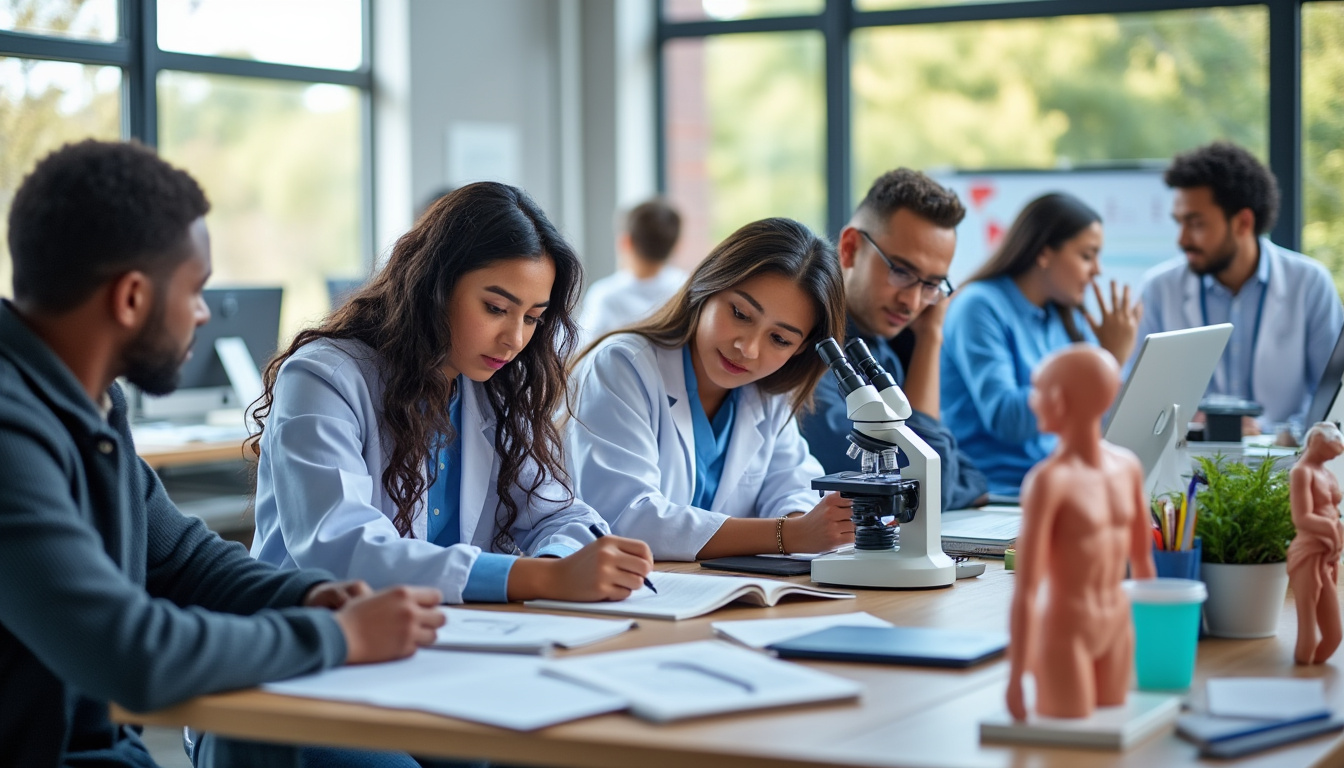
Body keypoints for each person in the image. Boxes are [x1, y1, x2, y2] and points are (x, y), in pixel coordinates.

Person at [0, 140, 445, 768]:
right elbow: (130, 653)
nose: (205, 315)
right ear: (131, 298)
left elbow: (182, 560)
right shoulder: (11, 428)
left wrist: (311, 597)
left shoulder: (89, 405)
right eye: (196, 290)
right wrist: (338, 636)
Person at [250, 181, 654, 608]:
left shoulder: (494, 387)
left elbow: (560, 515)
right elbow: (342, 548)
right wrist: (540, 578)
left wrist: (560, 565)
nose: (514, 339)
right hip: (317, 636)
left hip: (447, 633)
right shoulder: (324, 378)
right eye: (496, 309)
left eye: (533, 318)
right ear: (434, 285)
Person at [566, 217, 852, 561]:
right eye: (740, 313)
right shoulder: (623, 366)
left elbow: (793, 486)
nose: (748, 348)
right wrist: (788, 535)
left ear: (800, 349)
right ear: (708, 284)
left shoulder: (767, 393)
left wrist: (804, 524)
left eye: (779, 338)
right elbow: (628, 519)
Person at [798, 168, 988, 510]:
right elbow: (926, 490)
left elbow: (968, 474)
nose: (913, 303)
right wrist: (930, 340)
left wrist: (930, 336)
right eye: (901, 272)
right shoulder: (813, 349)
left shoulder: (881, 349)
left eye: (931, 285)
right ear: (851, 248)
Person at [1135, 141, 1344, 436]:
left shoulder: (1309, 284)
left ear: (1243, 222)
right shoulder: (1159, 289)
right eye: (1180, 222)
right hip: (1187, 468)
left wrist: (1283, 433)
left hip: (1285, 464)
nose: (1182, 239)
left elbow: (1332, 398)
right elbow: (1138, 402)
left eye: (1196, 223)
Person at [941, 192, 1142, 496]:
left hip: (1062, 481)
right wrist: (1106, 360)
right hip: (1000, 493)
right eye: (1087, 255)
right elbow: (1006, 419)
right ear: (1045, 253)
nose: (1097, 270)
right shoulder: (979, 306)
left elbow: (1097, 416)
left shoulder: (1063, 314)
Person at [1006, 345, 1156, 720]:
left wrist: (1152, 645)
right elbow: (1026, 588)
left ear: (1060, 399)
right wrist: (1016, 675)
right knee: (1069, 739)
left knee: (1112, 728)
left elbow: (1143, 562)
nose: (1033, 401)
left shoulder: (1127, 467)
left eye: (1039, 390)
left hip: (1117, 623)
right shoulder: (1048, 482)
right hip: (1066, 632)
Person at [578, 198, 687, 342]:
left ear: (625, 242)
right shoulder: (685, 289)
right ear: (676, 245)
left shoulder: (605, 297)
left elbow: (581, 353)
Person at [1288, 421, 1344, 665]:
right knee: (1308, 630)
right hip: (1308, 552)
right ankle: (1301, 678)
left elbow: (1334, 511)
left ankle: (1313, 675)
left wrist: (1337, 537)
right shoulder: (1301, 472)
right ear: (1314, 441)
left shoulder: (1327, 473)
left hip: (1329, 556)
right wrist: (1332, 530)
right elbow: (1302, 518)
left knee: (1334, 636)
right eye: (1331, 438)